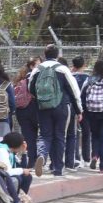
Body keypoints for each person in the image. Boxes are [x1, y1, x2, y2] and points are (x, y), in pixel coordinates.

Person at [29, 44, 83, 177]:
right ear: (58, 55)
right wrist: (78, 110)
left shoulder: (37, 70)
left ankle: (42, 155)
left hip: (43, 107)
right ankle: (58, 168)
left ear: (44, 54)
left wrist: (41, 99)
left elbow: (31, 88)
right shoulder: (62, 69)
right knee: (59, 136)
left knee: (44, 135)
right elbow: (73, 91)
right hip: (61, 106)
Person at [0, 131, 34, 203]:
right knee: (17, 178)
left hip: (5, 176)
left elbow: (22, 167)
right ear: (15, 145)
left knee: (27, 177)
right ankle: (13, 202)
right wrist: (22, 170)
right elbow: (7, 171)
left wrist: (24, 152)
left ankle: (20, 200)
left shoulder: (9, 151)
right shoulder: (1, 150)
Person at [13, 58, 39, 167]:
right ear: (32, 66)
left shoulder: (20, 80)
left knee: (28, 136)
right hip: (34, 108)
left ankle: (29, 160)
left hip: (21, 110)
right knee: (38, 135)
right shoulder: (37, 77)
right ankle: (36, 158)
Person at [70, 56, 90, 167]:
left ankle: (76, 157)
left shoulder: (69, 77)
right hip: (86, 108)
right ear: (84, 65)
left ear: (73, 65)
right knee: (86, 133)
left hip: (73, 108)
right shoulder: (88, 78)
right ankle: (87, 158)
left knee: (74, 133)